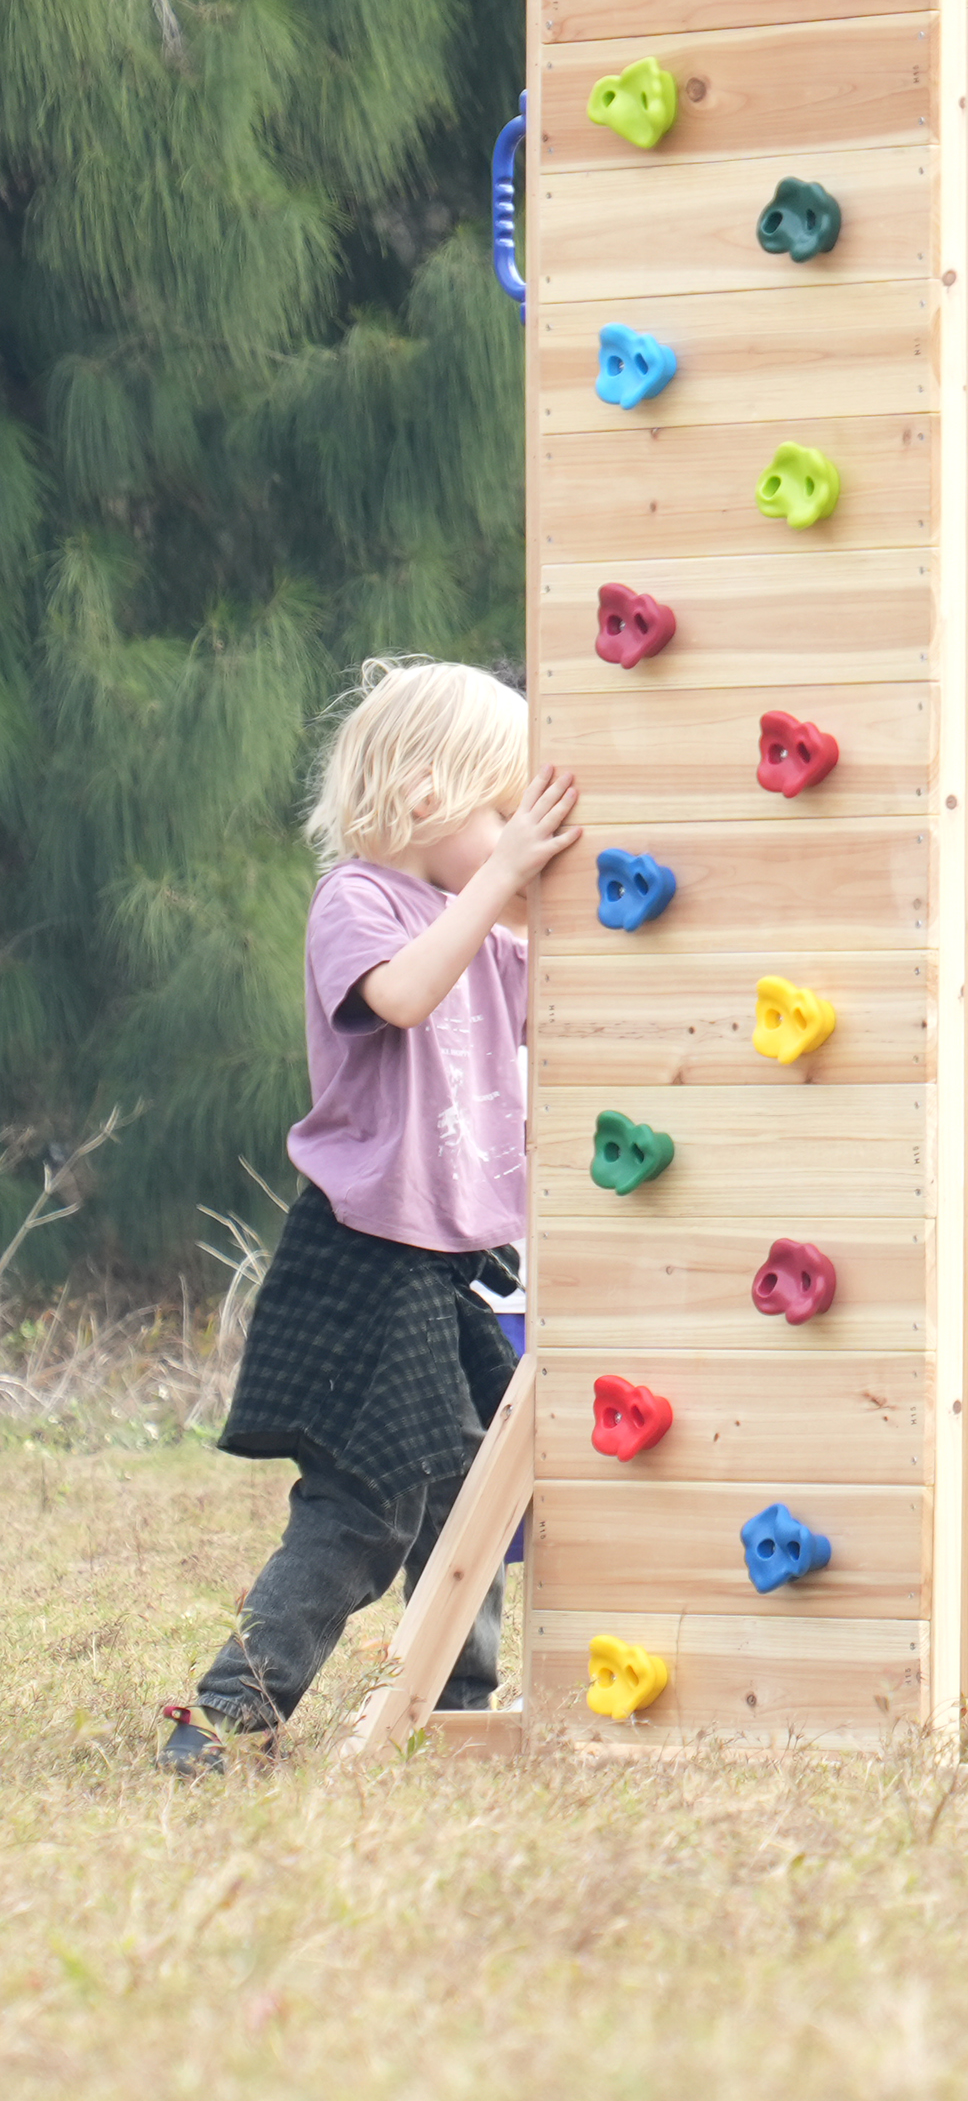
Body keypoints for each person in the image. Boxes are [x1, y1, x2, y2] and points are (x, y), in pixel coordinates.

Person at [158, 659, 578, 1774]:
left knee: (482, 1484)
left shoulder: (481, 926)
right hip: (367, 1251)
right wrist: (499, 889)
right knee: (366, 1500)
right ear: (432, 795)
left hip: (464, 1260)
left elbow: (573, 988)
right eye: (503, 810)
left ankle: (454, 1712)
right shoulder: (360, 901)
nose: (511, 838)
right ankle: (223, 1721)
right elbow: (399, 995)